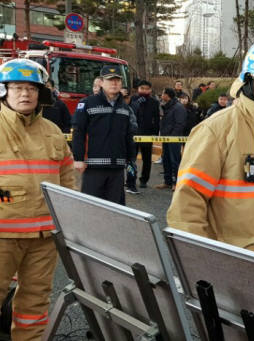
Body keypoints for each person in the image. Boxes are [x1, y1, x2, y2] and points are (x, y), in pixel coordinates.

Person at [167, 36, 254, 261]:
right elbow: (187, 208)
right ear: (248, 80)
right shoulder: (216, 130)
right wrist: (198, 266)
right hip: (236, 269)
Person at [0, 59, 75, 341]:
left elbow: (67, 180)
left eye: (31, 88)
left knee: (35, 303)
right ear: (4, 91)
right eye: (17, 87)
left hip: (44, 236)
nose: (25, 94)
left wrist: (67, 221)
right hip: (3, 233)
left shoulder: (53, 132)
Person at [73, 65, 136, 205]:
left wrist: (131, 160)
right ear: (101, 82)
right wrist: (78, 158)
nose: (114, 83)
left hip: (117, 168)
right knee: (91, 207)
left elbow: (128, 136)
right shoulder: (87, 104)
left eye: (117, 80)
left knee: (116, 210)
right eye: (110, 80)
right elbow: (79, 132)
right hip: (94, 167)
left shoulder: (125, 108)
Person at [126, 80, 160, 191]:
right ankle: (130, 179)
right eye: (142, 88)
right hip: (133, 134)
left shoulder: (154, 102)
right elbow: (129, 114)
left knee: (146, 159)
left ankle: (144, 180)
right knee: (131, 159)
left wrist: (155, 133)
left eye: (147, 88)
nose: (144, 90)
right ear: (138, 89)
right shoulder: (133, 99)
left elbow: (156, 118)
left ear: (150, 90)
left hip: (147, 134)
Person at [154, 88, 186, 190]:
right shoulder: (167, 106)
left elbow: (179, 124)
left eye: (163, 93)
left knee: (175, 161)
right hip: (166, 138)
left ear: (167, 95)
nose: (161, 95)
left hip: (173, 139)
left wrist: (172, 137)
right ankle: (167, 182)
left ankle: (177, 182)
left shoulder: (178, 107)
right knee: (166, 160)